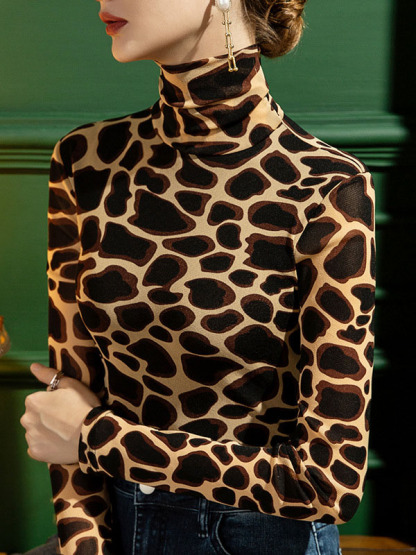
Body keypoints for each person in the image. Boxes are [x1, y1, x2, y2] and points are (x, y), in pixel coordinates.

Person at [20, 0, 376, 553]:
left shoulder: (325, 187)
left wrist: (100, 439)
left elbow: (329, 484)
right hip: (119, 529)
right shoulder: (86, 162)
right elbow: (68, 400)